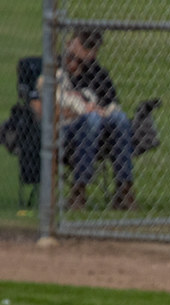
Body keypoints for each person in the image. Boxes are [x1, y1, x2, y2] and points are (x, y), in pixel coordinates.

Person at [31, 29, 136, 210]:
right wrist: (80, 112)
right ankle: (78, 191)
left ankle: (124, 190)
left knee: (120, 119)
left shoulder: (98, 74)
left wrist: (99, 111)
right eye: (72, 57)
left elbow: (111, 106)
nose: (75, 63)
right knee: (91, 119)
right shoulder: (51, 69)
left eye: (83, 59)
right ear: (69, 42)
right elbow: (40, 111)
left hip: (97, 135)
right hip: (62, 133)